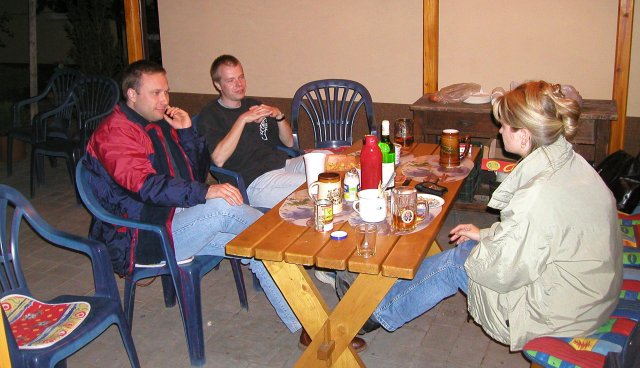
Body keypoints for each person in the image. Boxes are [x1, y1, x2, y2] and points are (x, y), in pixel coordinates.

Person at [346, 80, 623, 351]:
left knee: (455, 263)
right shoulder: (569, 162)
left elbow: (504, 271)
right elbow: (541, 235)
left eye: (504, 125)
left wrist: (474, 252)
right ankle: (382, 296)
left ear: (524, 134)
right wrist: (485, 235)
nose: (500, 130)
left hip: (560, 311)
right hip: (589, 294)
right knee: (467, 250)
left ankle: (369, 314)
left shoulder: (539, 193)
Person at [83, 60, 300, 334]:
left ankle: (303, 323)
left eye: (166, 91)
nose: (164, 100)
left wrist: (186, 132)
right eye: (156, 93)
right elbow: (146, 186)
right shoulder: (115, 132)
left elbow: (195, 174)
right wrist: (205, 191)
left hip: (176, 218)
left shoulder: (158, 121)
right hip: (143, 236)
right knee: (225, 208)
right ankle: (288, 241)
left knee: (254, 246)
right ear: (132, 94)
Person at [197, 54, 306, 208]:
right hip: (255, 182)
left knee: (329, 164)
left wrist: (278, 115)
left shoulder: (253, 104)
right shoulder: (210, 115)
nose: (239, 84)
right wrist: (242, 119)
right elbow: (218, 159)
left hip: (283, 165)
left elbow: (289, 142)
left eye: (241, 77)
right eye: (230, 80)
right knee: (317, 185)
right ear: (218, 85)